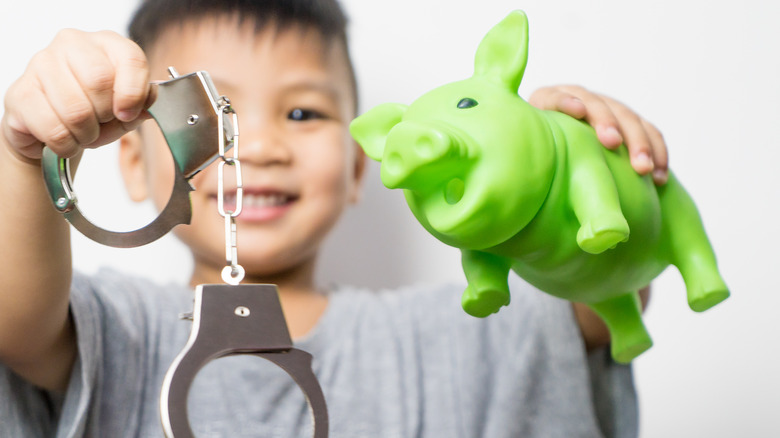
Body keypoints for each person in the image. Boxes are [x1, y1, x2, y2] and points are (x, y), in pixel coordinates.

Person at [0, 0, 669, 436]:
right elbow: (15, 319)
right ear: (136, 165)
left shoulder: (460, 331)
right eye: (211, 115)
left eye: (303, 114)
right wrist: (28, 149)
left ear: (358, 168)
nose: (257, 147)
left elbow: (605, 292)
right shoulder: (119, 328)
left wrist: (567, 167)